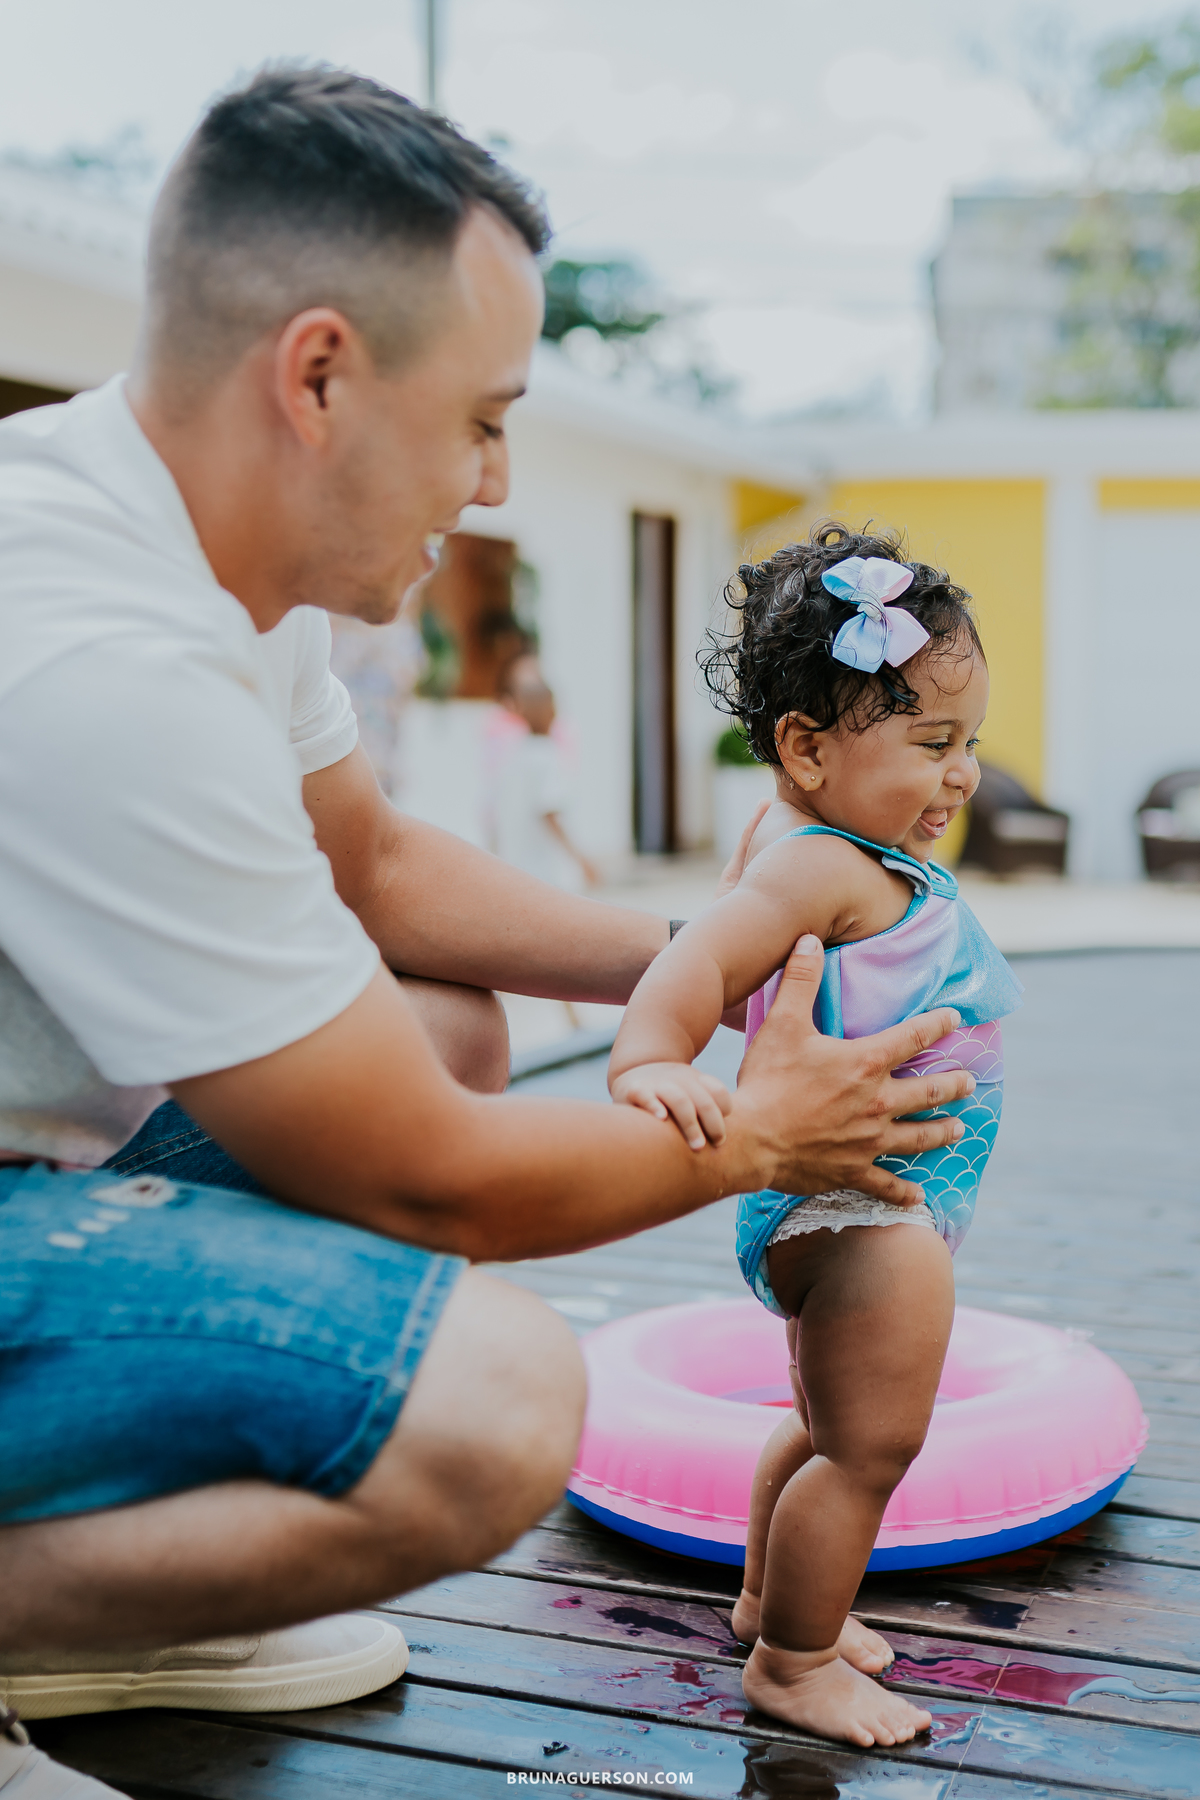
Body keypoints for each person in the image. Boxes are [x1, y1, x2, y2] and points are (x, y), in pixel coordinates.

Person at [0, 68, 978, 1797]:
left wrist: (724, 935)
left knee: (448, 1012)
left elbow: (373, 866)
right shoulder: (97, 657)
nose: (501, 479)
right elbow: (433, 1181)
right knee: (497, 1411)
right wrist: (766, 1133)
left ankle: (111, 1594)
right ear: (317, 376)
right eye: (482, 417)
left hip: (36, 1165)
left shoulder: (205, 549)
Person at [608, 526, 1021, 1749]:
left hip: (858, 1199)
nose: (964, 776)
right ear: (806, 747)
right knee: (873, 1449)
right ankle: (793, 1665)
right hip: (860, 1208)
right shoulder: (820, 867)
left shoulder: (833, 845)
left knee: (826, 1427)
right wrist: (648, 1057)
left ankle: (768, 1602)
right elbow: (694, 957)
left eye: (972, 744)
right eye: (934, 744)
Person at [493, 652, 600, 892]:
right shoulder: (547, 757)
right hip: (546, 875)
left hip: (517, 870)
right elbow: (550, 813)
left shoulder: (515, 755)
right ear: (553, 711)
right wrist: (581, 859)